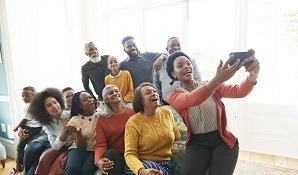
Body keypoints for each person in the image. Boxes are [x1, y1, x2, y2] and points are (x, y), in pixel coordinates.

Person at [166, 51, 260, 175]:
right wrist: (217, 79)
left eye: (188, 63)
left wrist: (253, 75)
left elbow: (239, 91)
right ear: (174, 74)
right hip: (197, 143)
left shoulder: (210, 85)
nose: (186, 66)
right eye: (180, 65)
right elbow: (193, 99)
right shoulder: (173, 95)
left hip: (222, 140)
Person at [124, 82, 182, 175]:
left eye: (155, 91)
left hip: (165, 163)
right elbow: (129, 154)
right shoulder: (133, 122)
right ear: (140, 101)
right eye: (148, 92)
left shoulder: (167, 113)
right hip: (141, 165)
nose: (154, 93)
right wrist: (142, 171)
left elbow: (178, 137)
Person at [29, 87, 74, 175]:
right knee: (44, 156)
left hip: (74, 147)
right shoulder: (47, 124)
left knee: (57, 166)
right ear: (45, 111)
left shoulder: (71, 115)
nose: (54, 106)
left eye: (55, 102)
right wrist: (64, 130)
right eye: (49, 105)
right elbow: (55, 146)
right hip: (61, 147)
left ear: (59, 102)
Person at [95, 85, 135, 175]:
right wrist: (98, 162)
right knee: (110, 155)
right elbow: (100, 145)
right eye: (110, 93)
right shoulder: (102, 119)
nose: (115, 93)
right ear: (106, 100)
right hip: (115, 153)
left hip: (133, 151)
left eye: (117, 91)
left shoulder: (133, 112)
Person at [153, 37, 202, 105]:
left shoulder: (191, 62)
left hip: (187, 102)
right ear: (167, 49)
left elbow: (198, 80)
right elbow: (156, 84)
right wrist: (158, 99)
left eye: (178, 45)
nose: (176, 47)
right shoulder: (160, 64)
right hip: (166, 104)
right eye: (172, 45)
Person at [64, 91, 100, 175]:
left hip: (95, 150)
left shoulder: (101, 114)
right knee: (71, 169)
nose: (90, 100)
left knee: (85, 171)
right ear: (79, 105)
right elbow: (81, 147)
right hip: (78, 149)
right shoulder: (74, 120)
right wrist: (78, 133)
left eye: (90, 97)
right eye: (85, 99)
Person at [10, 86, 43, 174]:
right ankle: (20, 166)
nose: (24, 98)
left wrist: (17, 127)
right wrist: (21, 127)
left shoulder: (32, 106)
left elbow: (25, 120)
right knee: (21, 145)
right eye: (22, 96)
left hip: (35, 128)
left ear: (34, 96)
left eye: (27, 96)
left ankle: (18, 167)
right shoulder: (29, 106)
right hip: (29, 126)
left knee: (20, 145)